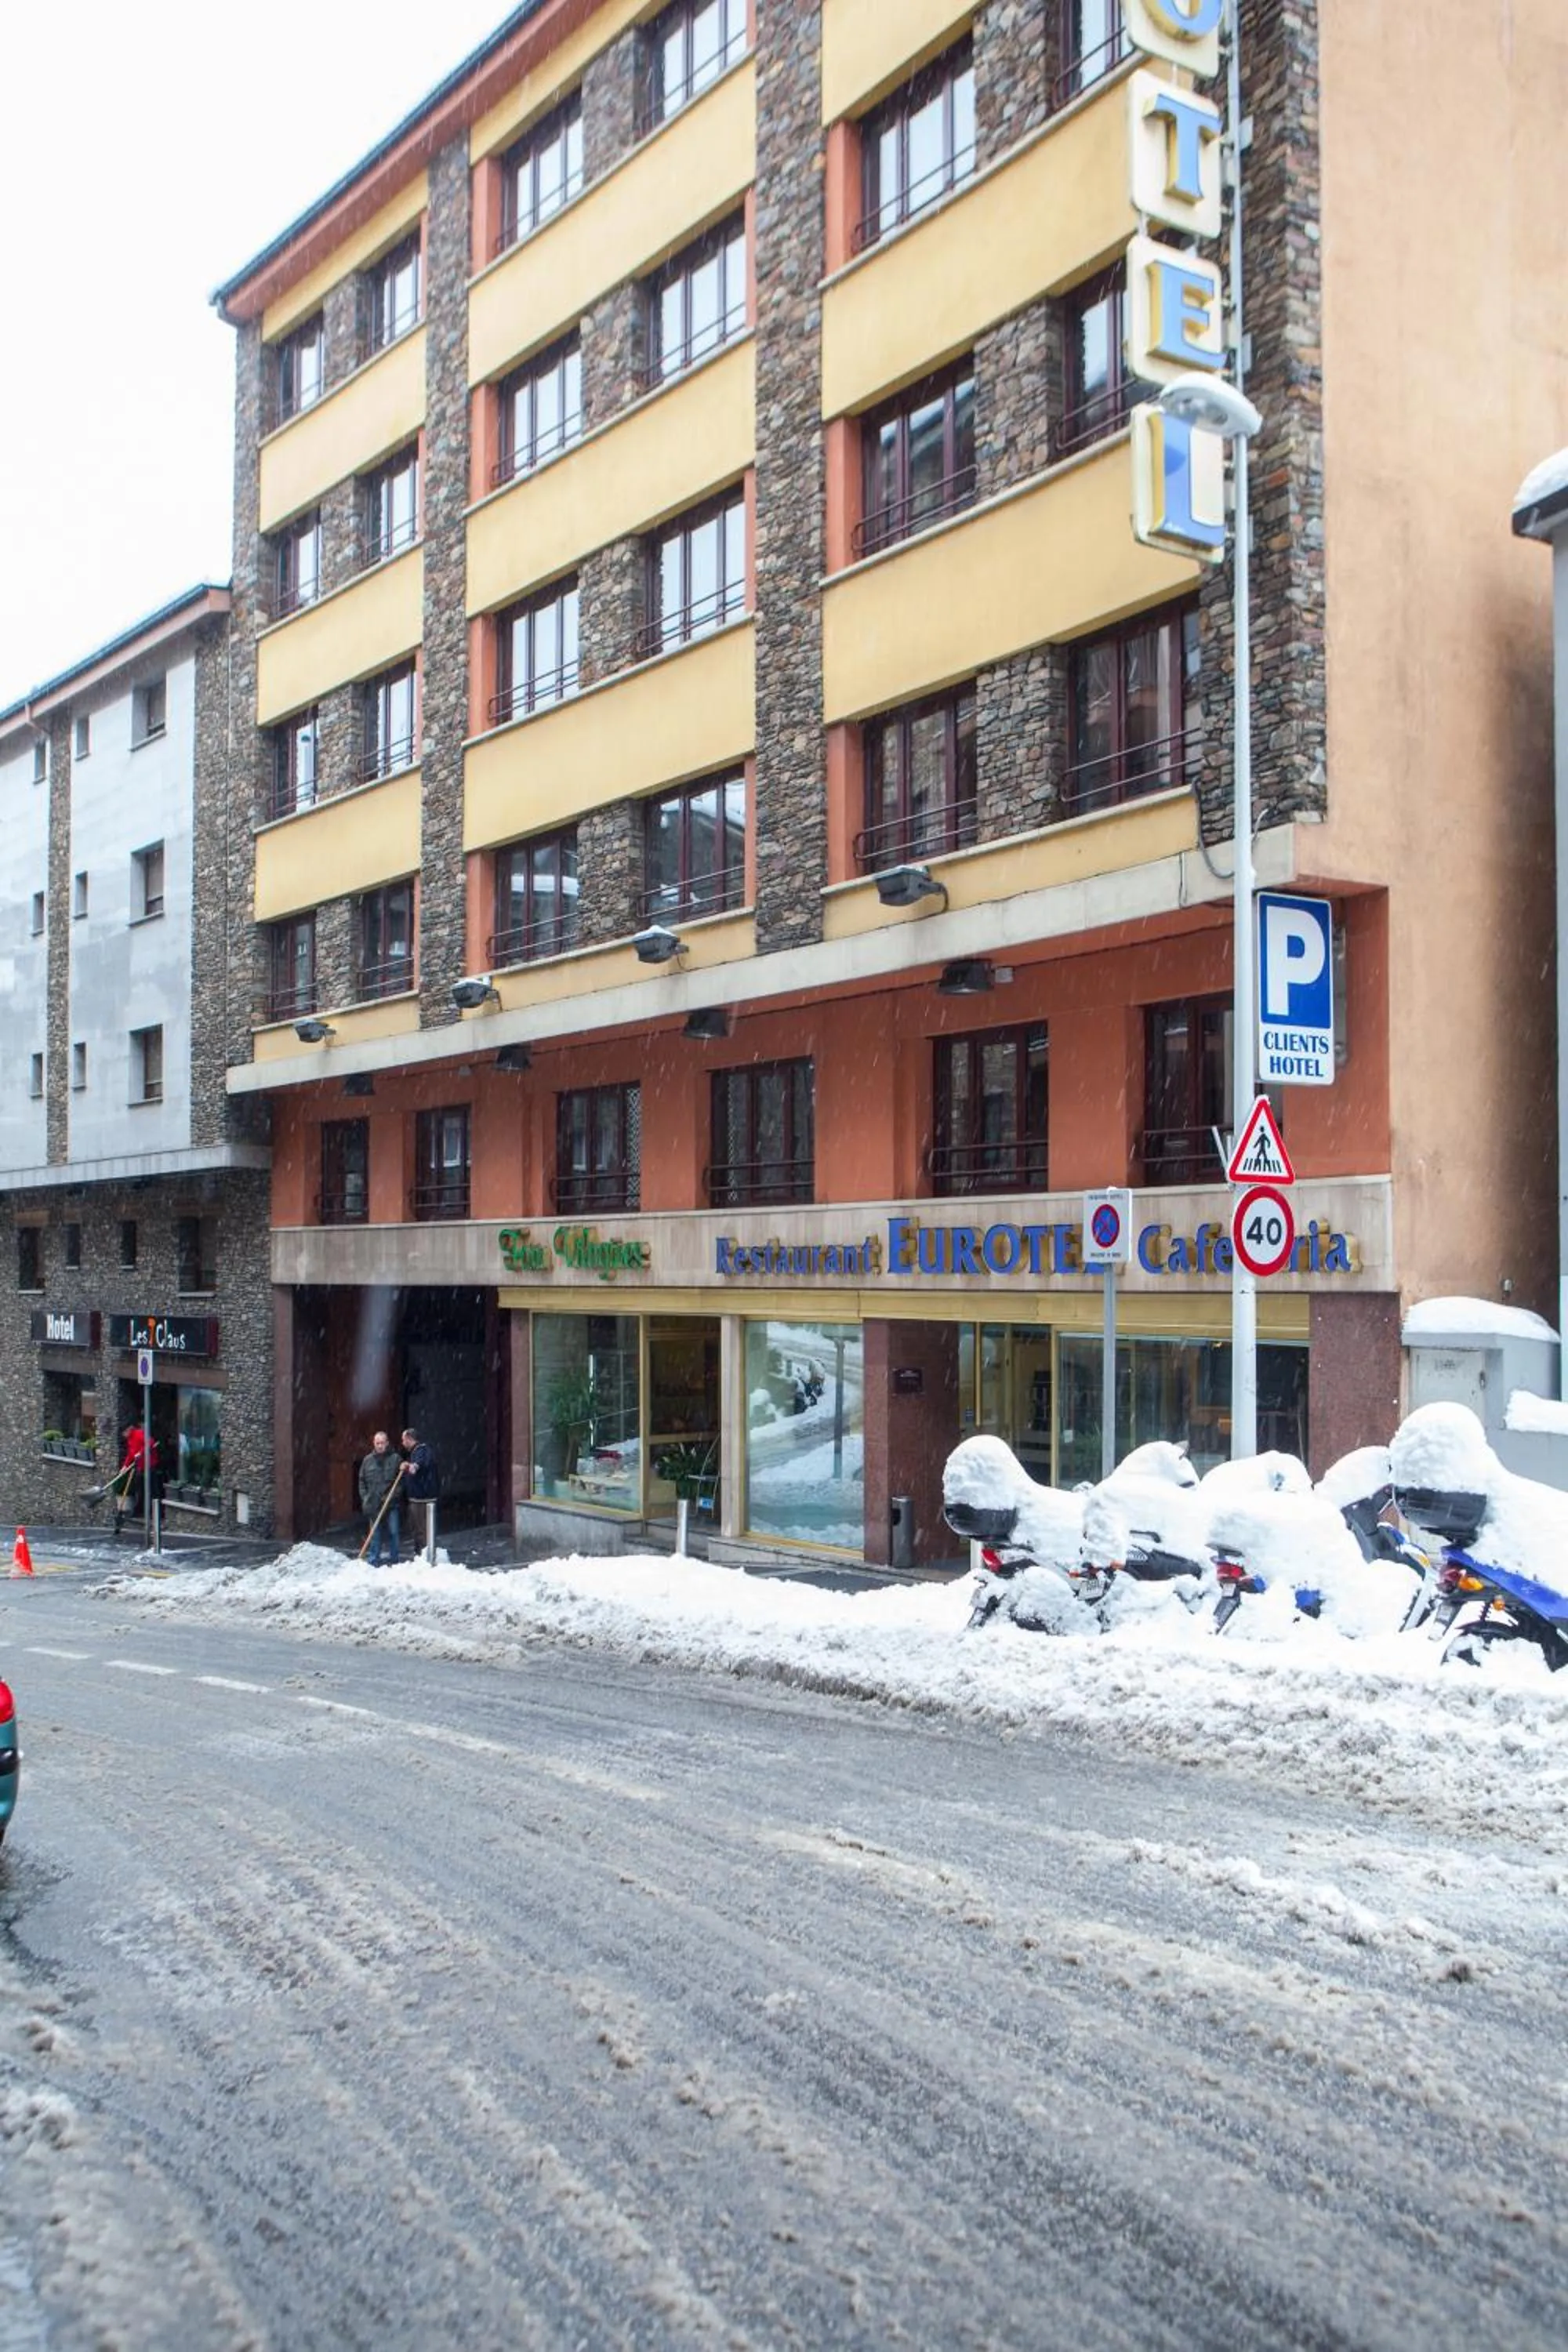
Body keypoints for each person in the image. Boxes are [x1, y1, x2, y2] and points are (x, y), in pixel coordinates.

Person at [358, 1430, 404, 1567]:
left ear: (387, 1443)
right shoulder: (367, 1461)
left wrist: (392, 1496)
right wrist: (365, 1498)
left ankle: (394, 1559)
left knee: (394, 1532)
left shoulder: (396, 1459)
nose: (380, 1446)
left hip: (391, 1504)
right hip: (374, 1504)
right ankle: (373, 1560)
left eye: (382, 1443)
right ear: (374, 1443)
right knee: (375, 1534)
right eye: (377, 1443)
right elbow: (362, 1481)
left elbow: (400, 1483)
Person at [400, 1428, 440, 1563]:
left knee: (422, 1531)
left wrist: (407, 1466)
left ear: (410, 1439)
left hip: (423, 1499)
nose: (403, 1443)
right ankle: (420, 1555)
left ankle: (425, 1556)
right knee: (417, 1530)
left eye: (404, 1440)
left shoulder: (422, 1451)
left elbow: (415, 1468)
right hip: (417, 1498)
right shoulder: (417, 1452)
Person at [115, 1425, 159, 1531]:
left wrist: (141, 1453)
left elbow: (150, 1443)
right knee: (140, 1487)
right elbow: (131, 1455)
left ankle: (155, 1511)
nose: (124, 1436)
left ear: (128, 1430)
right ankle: (140, 1509)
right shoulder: (130, 1440)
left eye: (124, 1433)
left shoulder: (139, 1434)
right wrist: (125, 1467)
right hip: (140, 1467)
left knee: (152, 1489)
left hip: (150, 1465)